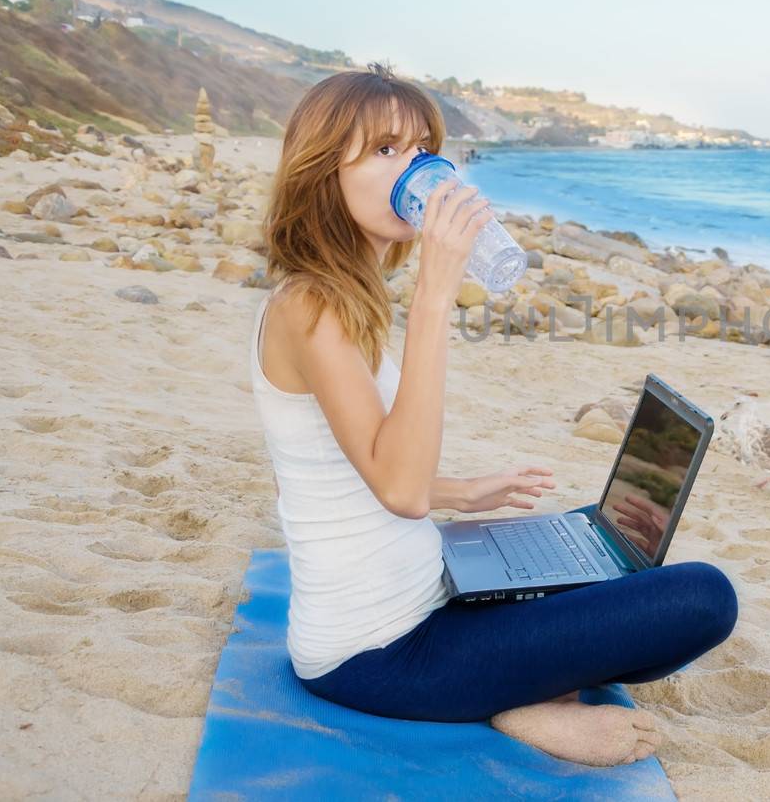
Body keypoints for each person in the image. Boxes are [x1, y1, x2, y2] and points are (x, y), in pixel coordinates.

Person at [249, 64, 738, 766]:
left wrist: (461, 493)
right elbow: (399, 489)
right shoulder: (309, 306)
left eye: (421, 150)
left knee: (594, 545)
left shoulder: (334, 294)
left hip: (425, 594)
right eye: (385, 149)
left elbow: (328, 468)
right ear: (323, 171)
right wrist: (435, 293)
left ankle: (521, 672)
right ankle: (514, 704)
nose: (414, 169)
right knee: (703, 598)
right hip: (379, 653)